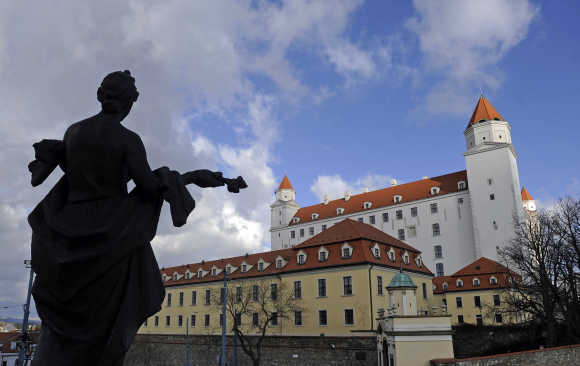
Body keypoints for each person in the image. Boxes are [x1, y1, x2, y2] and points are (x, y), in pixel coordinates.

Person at [28, 70, 246, 366]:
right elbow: (151, 187)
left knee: (60, 331)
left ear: (100, 95)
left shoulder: (74, 132)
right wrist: (191, 177)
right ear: (130, 103)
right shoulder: (128, 140)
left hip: (64, 234)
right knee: (107, 321)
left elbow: (75, 172)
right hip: (108, 236)